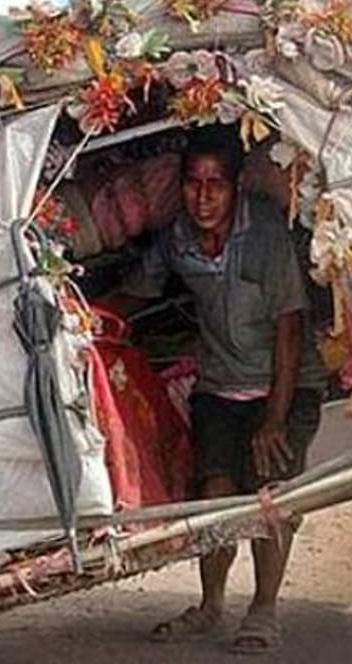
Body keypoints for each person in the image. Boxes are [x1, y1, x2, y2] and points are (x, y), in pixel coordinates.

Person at [108, 130, 327, 655]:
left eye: (216, 185)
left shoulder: (267, 233)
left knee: (271, 498)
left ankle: (264, 609)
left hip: (286, 385)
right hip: (219, 385)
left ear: (236, 186)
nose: (203, 198)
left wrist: (274, 419)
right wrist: (85, 317)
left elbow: (289, 329)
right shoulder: (177, 238)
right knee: (215, 496)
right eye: (193, 184)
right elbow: (136, 292)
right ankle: (210, 605)